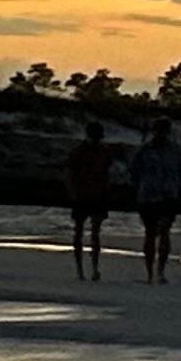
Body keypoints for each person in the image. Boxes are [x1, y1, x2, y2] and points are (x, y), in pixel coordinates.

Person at [132, 115, 181, 282]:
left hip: (167, 195)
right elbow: (134, 171)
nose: (160, 134)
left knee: (164, 231)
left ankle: (160, 271)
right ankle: (150, 272)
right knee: (150, 233)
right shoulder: (144, 151)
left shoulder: (175, 151)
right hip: (149, 196)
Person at [63, 120, 115, 281]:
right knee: (80, 231)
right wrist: (73, 192)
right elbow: (70, 174)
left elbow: (106, 175)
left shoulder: (103, 152)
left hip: (97, 195)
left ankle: (94, 267)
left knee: (94, 232)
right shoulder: (79, 152)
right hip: (83, 195)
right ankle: (81, 269)